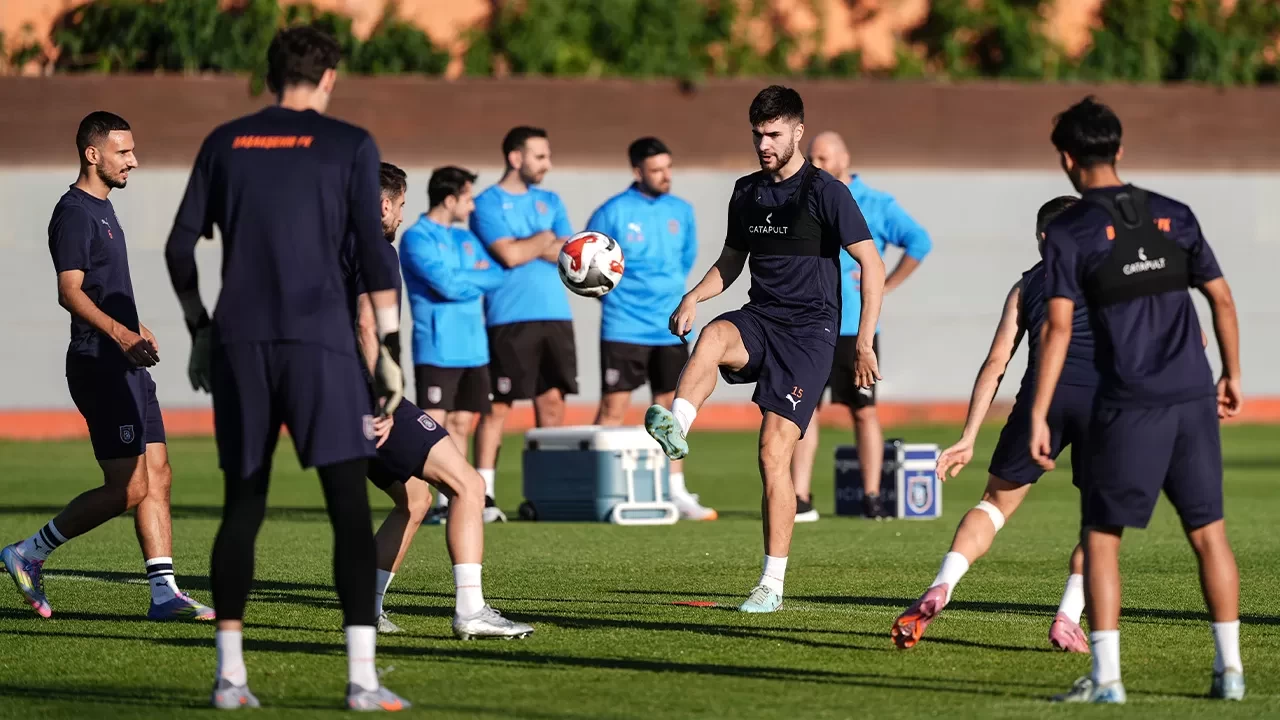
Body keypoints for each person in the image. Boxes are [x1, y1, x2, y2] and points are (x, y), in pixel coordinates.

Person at [163, 27, 409, 711]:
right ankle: (361, 681)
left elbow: (179, 250)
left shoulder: (225, 141)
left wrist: (199, 330)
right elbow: (372, 248)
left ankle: (230, 679)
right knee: (349, 513)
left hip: (240, 343)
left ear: (271, 74)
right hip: (321, 346)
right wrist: (386, 348)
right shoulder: (351, 143)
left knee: (243, 506)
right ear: (328, 77)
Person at [1031, 96, 1244, 704]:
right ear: (1119, 150)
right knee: (1210, 535)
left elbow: (1061, 329)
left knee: (1102, 539)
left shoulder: (1069, 231)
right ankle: (1230, 673)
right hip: (1194, 395)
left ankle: (1107, 681)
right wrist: (1231, 373)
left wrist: (1042, 411)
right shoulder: (1176, 214)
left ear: (1068, 160)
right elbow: (1222, 301)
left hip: (1128, 404)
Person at [645, 86, 885, 613]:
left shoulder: (827, 192)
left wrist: (864, 341)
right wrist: (692, 296)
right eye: (757, 134)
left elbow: (874, 265)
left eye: (774, 133)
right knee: (711, 335)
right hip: (761, 318)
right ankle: (676, 427)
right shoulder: (746, 192)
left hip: (810, 336)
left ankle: (771, 585)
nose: (764, 143)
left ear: (798, 131)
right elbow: (732, 261)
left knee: (771, 453)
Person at [1, 111, 215, 623]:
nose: (134, 161)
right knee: (131, 487)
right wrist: (121, 334)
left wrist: (135, 328)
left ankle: (164, 593)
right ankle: (29, 551)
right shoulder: (74, 212)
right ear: (92, 154)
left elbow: (104, 289)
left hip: (127, 362)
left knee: (159, 474)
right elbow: (69, 292)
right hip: (98, 363)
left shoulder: (104, 209)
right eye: (124, 152)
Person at [891, 196, 1092, 653]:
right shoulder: (1109, 275)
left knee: (994, 506)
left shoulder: (1026, 286)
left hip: (1039, 401)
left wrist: (968, 437)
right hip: (1103, 404)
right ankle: (1067, 617)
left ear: (1042, 238)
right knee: (1101, 522)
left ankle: (942, 585)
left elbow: (996, 363)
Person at [345, 162, 534, 641]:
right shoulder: (377, 250)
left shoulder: (333, 248)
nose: (401, 216)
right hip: (368, 396)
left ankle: (365, 607)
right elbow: (368, 325)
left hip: (334, 396)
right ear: (385, 204)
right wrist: (385, 399)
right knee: (468, 485)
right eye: (400, 205)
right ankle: (471, 610)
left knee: (413, 498)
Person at [794, 130, 933, 521]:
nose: (814, 165)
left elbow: (919, 241)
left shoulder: (876, 202)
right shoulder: (804, 197)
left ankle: (872, 496)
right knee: (805, 411)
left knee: (864, 411)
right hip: (810, 324)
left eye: (821, 158)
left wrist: (886, 285)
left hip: (857, 326)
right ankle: (800, 496)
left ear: (844, 158)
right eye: (810, 158)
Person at [585, 137, 716, 521]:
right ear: (636, 171)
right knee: (613, 407)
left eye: (668, 168)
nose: (665, 176)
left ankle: (675, 491)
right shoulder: (612, 212)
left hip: (672, 327)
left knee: (672, 409)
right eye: (656, 170)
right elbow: (589, 265)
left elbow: (685, 260)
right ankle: (593, 485)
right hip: (624, 327)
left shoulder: (682, 211)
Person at [469, 126, 577, 521]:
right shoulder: (486, 203)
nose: (547, 164)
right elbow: (509, 256)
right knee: (498, 406)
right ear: (516, 158)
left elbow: (568, 253)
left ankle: (547, 495)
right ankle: (483, 496)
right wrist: (542, 239)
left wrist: (530, 243)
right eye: (540, 156)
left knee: (552, 402)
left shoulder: (552, 199)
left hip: (556, 314)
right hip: (508, 316)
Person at [401, 166, 506, 525]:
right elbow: (448, 287)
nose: (473, 206)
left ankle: (457, 498)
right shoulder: (417, 237)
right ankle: (431, 503)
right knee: (434, 425)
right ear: (449, 199)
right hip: (437, 346)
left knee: (463, 422)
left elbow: (496, 274)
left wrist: (463, 279)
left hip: (474, 348)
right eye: (468, 198)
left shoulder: (466, 239)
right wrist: (467, 280)